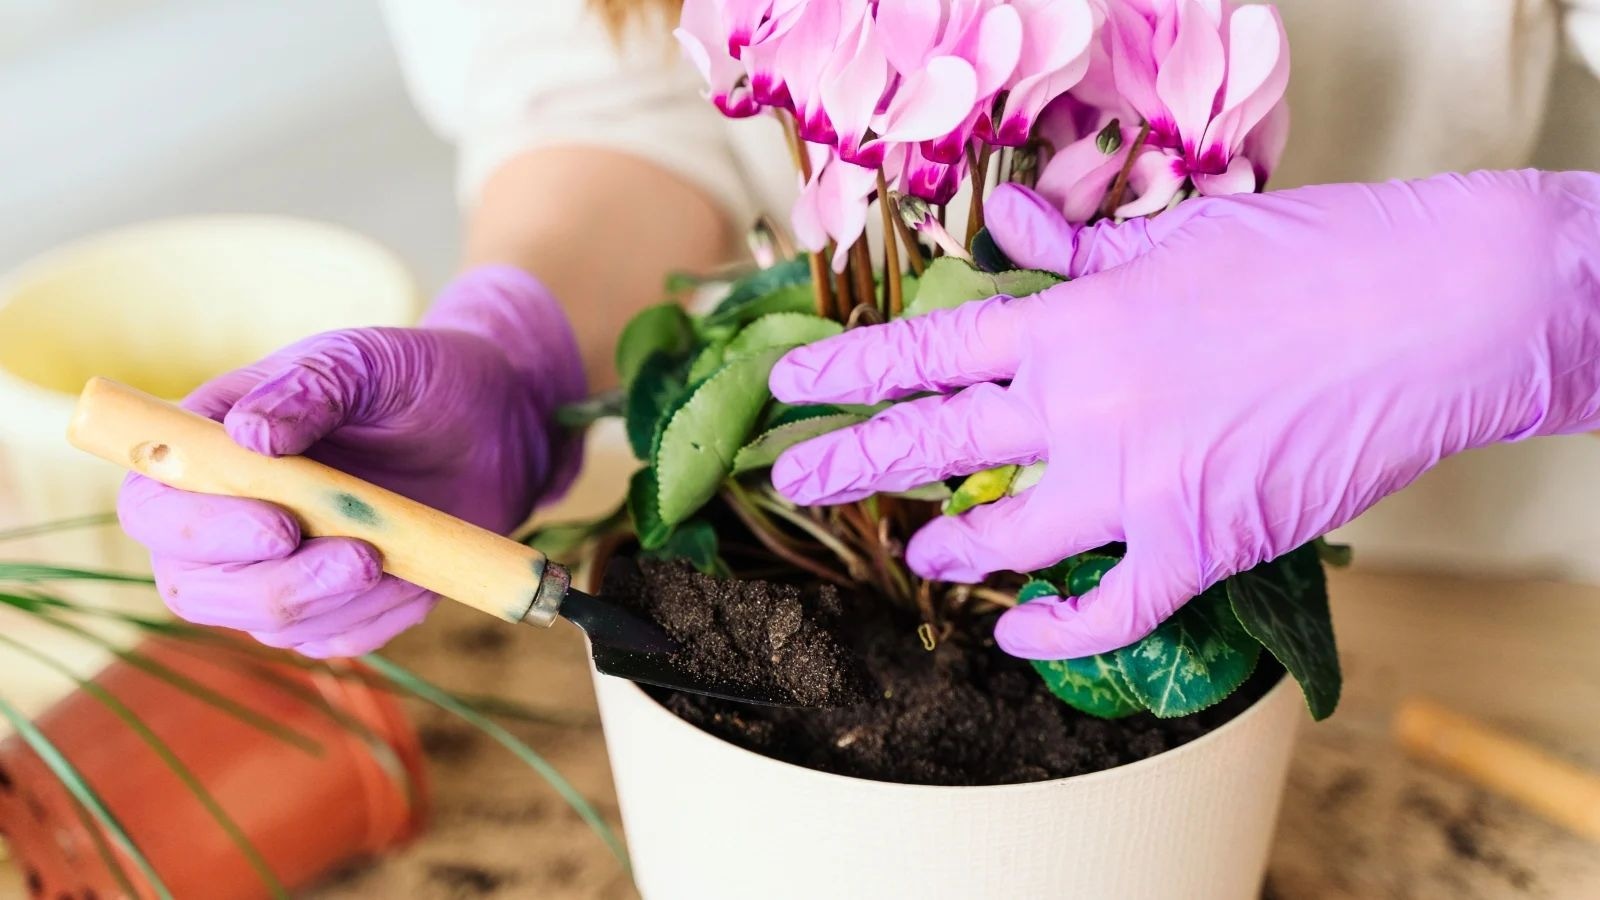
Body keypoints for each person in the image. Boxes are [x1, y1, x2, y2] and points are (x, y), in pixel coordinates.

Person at [118, 0, 1600, 660]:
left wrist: (1539, 290)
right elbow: (625, 67)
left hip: (1510, 563)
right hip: (940, 398)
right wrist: (524, 345)